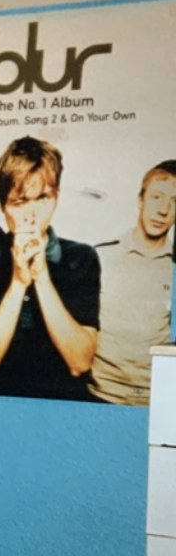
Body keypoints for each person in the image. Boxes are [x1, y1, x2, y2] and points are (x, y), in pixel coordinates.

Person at [0, 136, 100, 400]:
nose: (32, 214)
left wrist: (42, 277)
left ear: (56, 197)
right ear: (2, 205)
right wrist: (18, 283)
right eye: (20, 202)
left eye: (43, 198)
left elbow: (80, 362)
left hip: (63, 407)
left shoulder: (82, 257)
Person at [89, 160, 176, 405]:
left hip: (155, 402)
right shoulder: (100, 258)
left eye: (175, 202)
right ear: (141, 200)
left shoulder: (174, 268)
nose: (163, 210)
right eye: (157, 197)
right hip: (98, 396)